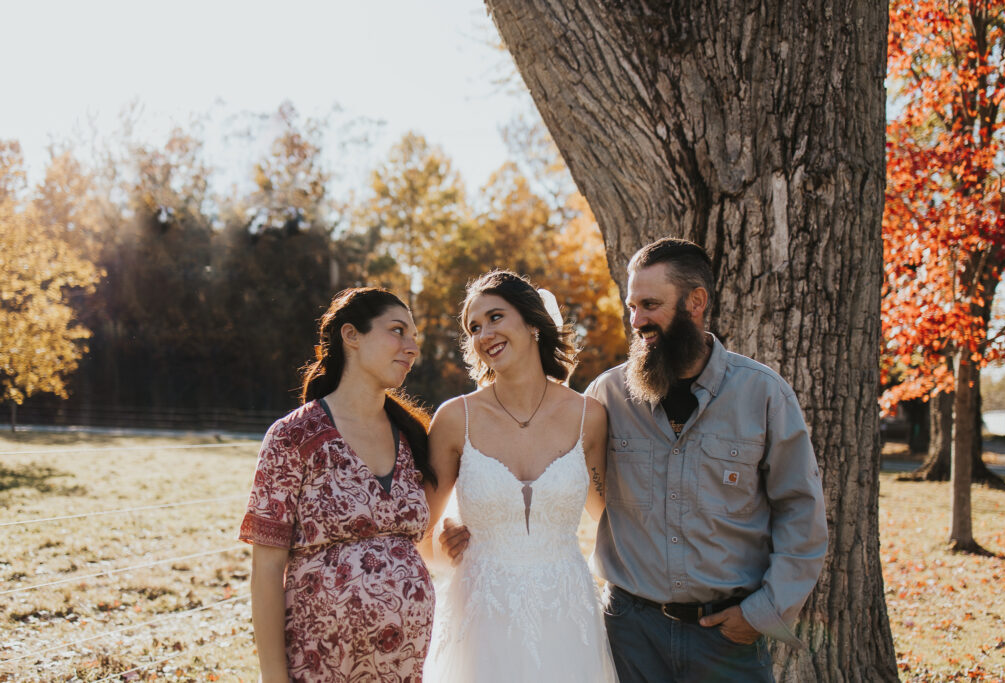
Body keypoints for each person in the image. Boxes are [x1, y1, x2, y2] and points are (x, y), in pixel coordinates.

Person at [441, 240, 828, 682]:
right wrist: (462, 521)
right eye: (631, 306)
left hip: (727, 636)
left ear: (695, 302)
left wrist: (763, 613)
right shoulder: (606, 398)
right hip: (630, 636)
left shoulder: (763, 394)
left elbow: (801, 510)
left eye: (650, 305)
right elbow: (566, 487)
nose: (638, 320)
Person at [423, 270, 618, 683]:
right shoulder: (455, 419)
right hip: (480, 617)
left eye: (495, 317)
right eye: (474, 327)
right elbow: (419, 532)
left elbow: (608, 518)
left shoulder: (590, 417)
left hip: (566, 615)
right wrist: (443, 545)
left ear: (532, 322)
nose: (483, 333)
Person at [239, 288, 437, 683]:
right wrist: (273, 679)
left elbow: (426, 537)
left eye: (414, 337)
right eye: (398, 331)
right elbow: (266, 567)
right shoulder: (293, 436)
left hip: (405, 664)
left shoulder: (414, 437)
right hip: (322, 662)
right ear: (352, 335)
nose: (411, 347)